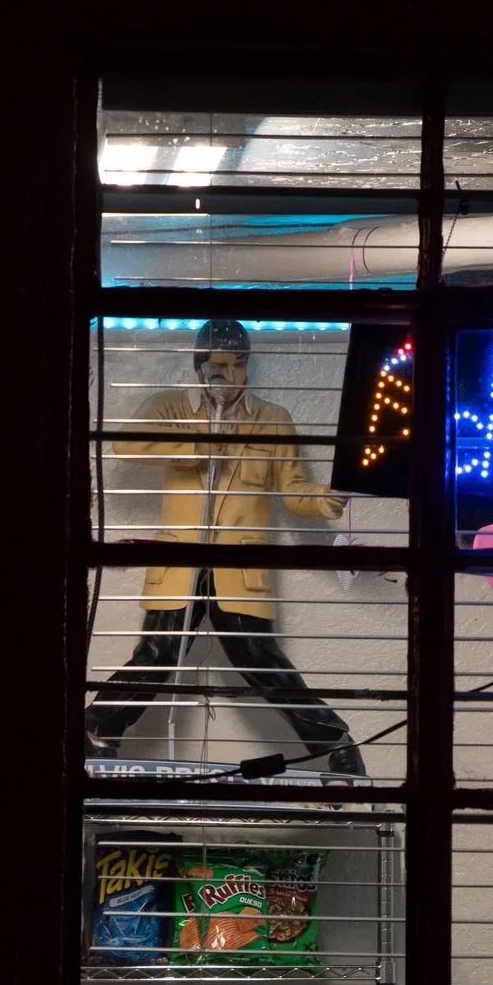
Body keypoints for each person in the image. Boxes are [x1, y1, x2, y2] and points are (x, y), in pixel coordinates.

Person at [86, 319, 367, 776]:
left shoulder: (273, 420)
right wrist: (195, 443)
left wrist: (325, 500)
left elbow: (294, 491)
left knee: (260, 660)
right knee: (156, 656)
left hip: (240, 569)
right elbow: (124, 443)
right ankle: (97, 729)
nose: (230, 376)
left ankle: (335, 742)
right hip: (179, 566)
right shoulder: (172, 407)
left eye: (239, 365)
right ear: (200, 368)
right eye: (219, 366)